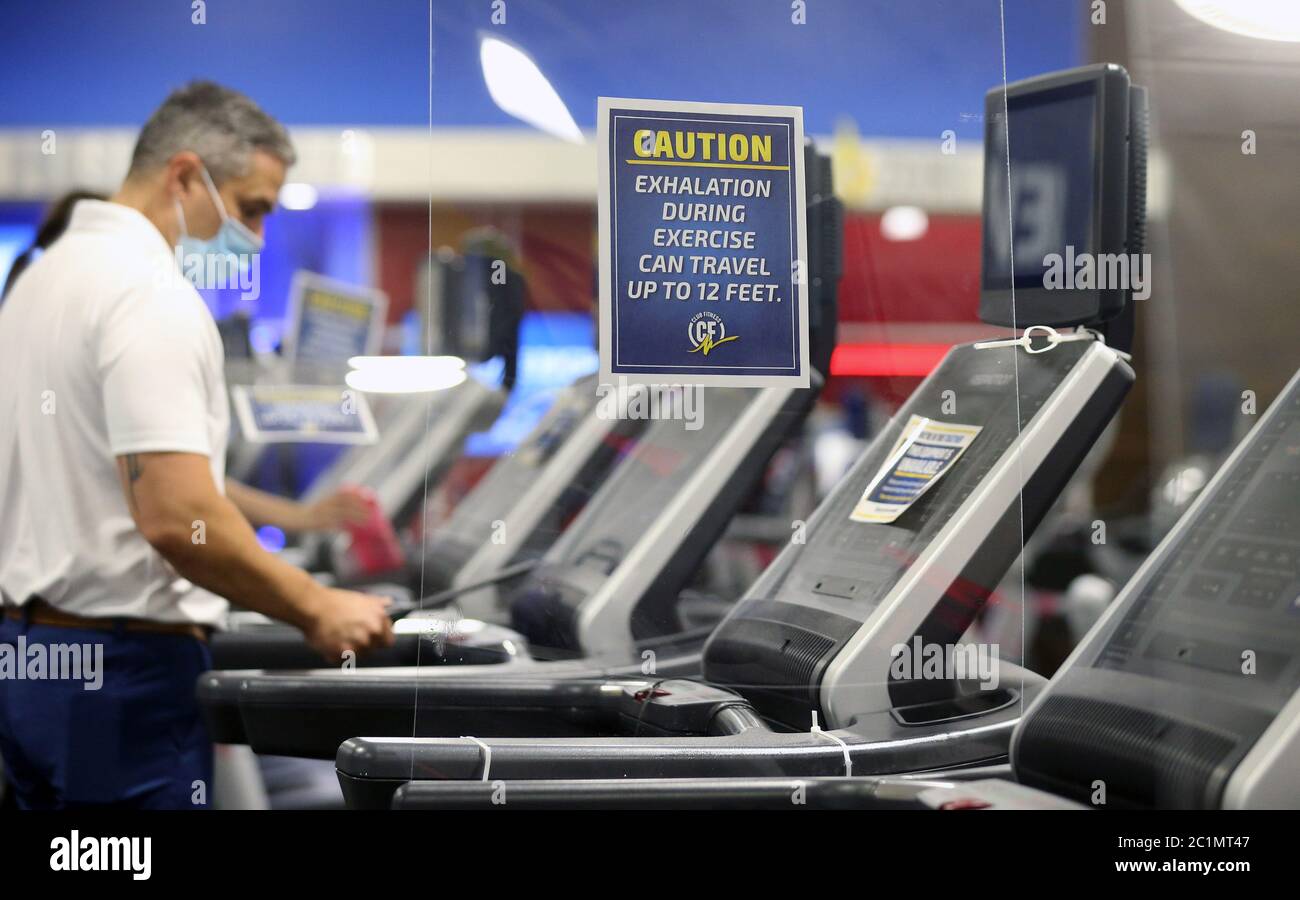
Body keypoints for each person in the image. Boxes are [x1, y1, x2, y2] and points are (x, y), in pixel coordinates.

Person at [0, 81, 394, 810]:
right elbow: (177, 516)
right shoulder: (149, 293)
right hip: (123, 671)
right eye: (252, 209)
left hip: (29, 656)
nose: (259, 237)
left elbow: (134, 473)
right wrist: (315, 606)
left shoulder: (39, 280)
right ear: (185, 174)